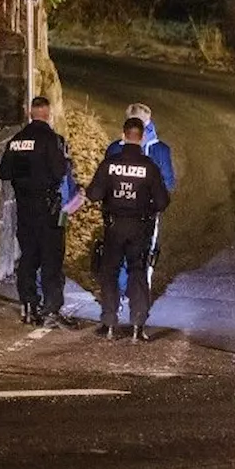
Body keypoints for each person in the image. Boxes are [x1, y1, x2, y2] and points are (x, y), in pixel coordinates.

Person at [87, 117, 170, 341]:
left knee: (110, 273)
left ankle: (109, 323)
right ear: (142, 138)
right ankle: (137, 325)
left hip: (114, 226)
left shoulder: (110, 164)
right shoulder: (149, 167)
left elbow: (93, 194)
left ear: (123, 136)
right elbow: (162, 202)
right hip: (139, 227)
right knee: (138, 272)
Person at [0, 96, 77, 329]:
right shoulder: (52, 140)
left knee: (28, 257)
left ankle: (29, 305)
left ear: (30, 113)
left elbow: (5, 173)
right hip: (48, 208)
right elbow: (59, 171)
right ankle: (51, 308)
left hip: (25, 207)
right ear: (48, 113)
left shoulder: (16, 141)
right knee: (51, 258)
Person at [104, 103, 175, 304]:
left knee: (119, 255)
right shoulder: (160, 150)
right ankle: (138, 302)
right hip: (146, 215)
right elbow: (168, 183)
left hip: (118, 213)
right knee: (142, 256)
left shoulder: (115, 148)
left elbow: (104, 182)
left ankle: (120, 299)